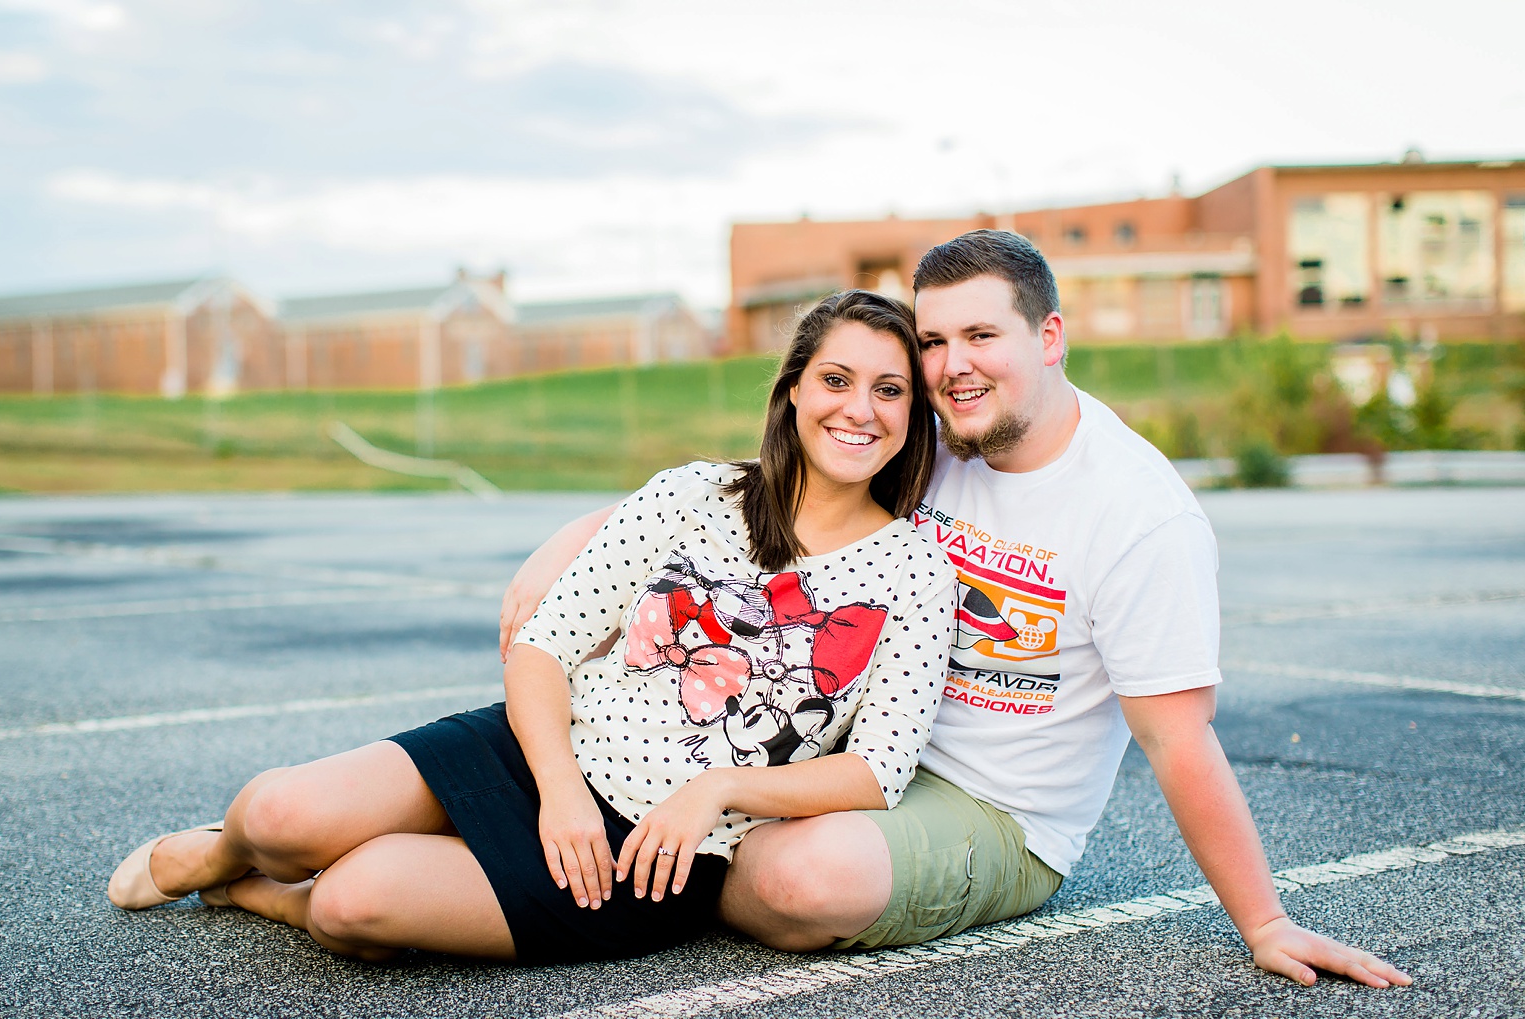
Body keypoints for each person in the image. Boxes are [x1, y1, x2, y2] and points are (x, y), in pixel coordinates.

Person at [498, 231, 1412, 988]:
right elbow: (754, 488)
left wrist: (1264, 921)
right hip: (851, 748)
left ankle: (630, 877)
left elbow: (1179, 738)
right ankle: (595, 842)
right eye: (932, 341)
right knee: (675, 717)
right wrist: (574, 536)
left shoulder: (1139, 516)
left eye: (981, 335)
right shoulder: (935, 438)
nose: (950, 366)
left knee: (795, 875)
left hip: (993, 807)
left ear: (1049, 337)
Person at [107, 289, 957, 965]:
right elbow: (545, 643)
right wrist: (557, 790)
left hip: (655, 855)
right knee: (284, 813)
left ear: (914, 415)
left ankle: (261, 893)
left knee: (348, 905)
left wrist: (718, 790)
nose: (860, 410)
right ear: (795, 390)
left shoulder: (917, 573)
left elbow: (875, 770)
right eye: (837, 379)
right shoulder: (694, 493)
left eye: (890, 390)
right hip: (543, 753)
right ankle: (225, 854)